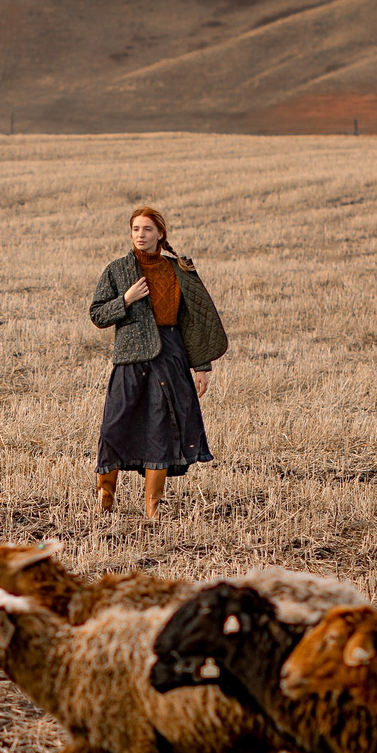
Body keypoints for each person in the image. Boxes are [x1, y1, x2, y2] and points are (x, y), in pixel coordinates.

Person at [88, 205, 226, 519]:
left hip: (171, 355)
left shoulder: (178, 269)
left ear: (160, 234)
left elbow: (194, 320)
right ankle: (104, 501)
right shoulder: (117, 270)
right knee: (115, 426)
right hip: (130, 357)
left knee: (161, 428)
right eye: (136, 229)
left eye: (147, 229)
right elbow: (97, 314)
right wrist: (127, 299)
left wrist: (202, 365)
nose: (141, 235)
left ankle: (153, 508)